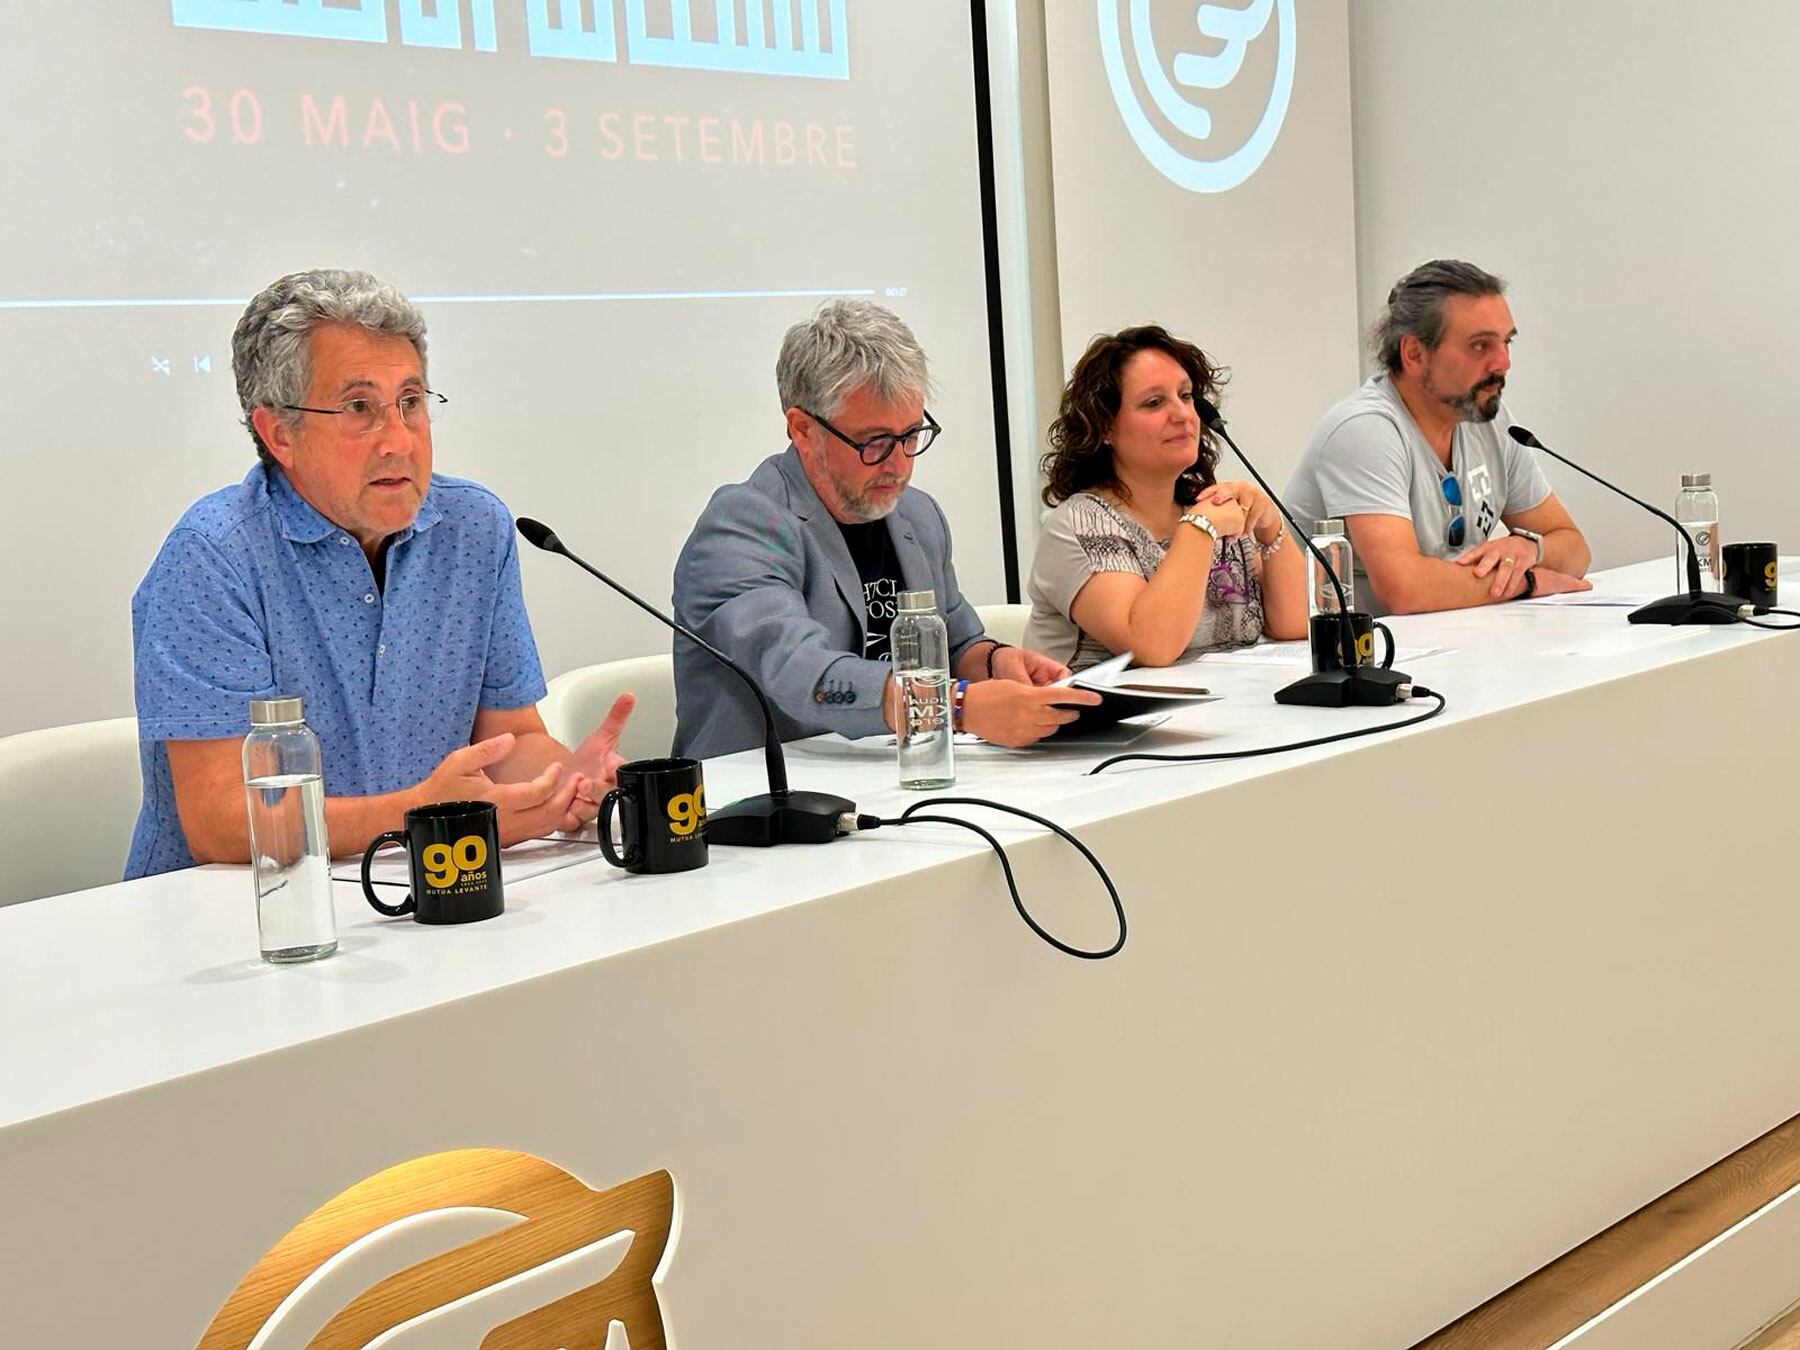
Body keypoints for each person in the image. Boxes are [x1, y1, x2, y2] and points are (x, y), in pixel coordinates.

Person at [126, 268, 632, 879]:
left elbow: (510, 743)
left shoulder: (473, 529)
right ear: (279, 432)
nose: (398, 439)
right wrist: (416, 814)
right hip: (237, 919)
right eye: (359, 408)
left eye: (411, 403)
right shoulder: (214, 556)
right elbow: (218, 821)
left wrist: (560, 782)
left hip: (420, 887)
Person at [672, 299, 1099, 759]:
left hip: (893, 778)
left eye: (911, 435)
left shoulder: (916, 516)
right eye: (874, 442)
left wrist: (995, 663)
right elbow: (799, 672)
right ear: (802, 428)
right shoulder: (743, 526)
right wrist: (954, 706)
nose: (898, 464)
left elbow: (956, 645)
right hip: (759, 800)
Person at [1285, 259, 1592, 613]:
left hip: (1449, 642)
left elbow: (1574, 548)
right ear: (1414, 353)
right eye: (1480, 345)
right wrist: (1528, 581)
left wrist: (1530, 550)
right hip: (1353, 656)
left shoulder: (1490, 421)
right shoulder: (1364, 430)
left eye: (1507, 342)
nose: (1503, 363)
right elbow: (1405, 590)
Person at [1024, 326, 1307, 670]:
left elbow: (1294, 625)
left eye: (1186, 396)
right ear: (1104, 427)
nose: (1184, 415)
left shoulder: (1207, 507)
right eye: (1154, 402)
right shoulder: (1079, 525)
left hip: (1222, 715)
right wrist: (1198, 528)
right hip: (1109, 722)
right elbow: (1151, 647)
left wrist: (1269, 526)